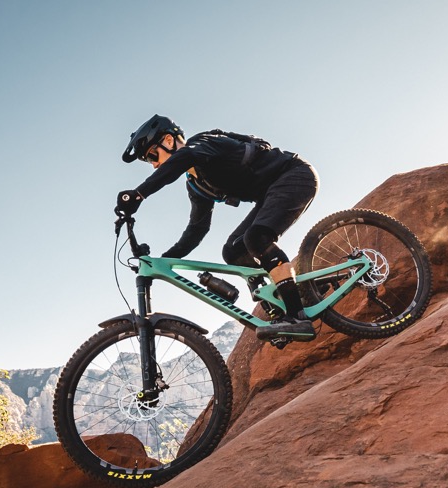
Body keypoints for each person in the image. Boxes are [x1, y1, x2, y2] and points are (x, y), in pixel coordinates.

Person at [115, 114, 319, 339]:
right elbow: (197, 229)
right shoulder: (196, 184)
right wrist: (165, 260)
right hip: (271, 192)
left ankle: (297, 316)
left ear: (169, 141)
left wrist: (140, 193)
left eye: (153, 155)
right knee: (233, 250)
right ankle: (291, 293)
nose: (154, 165)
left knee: (257, 237)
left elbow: (185, 157)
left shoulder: (204, 143)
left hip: (295, 175)